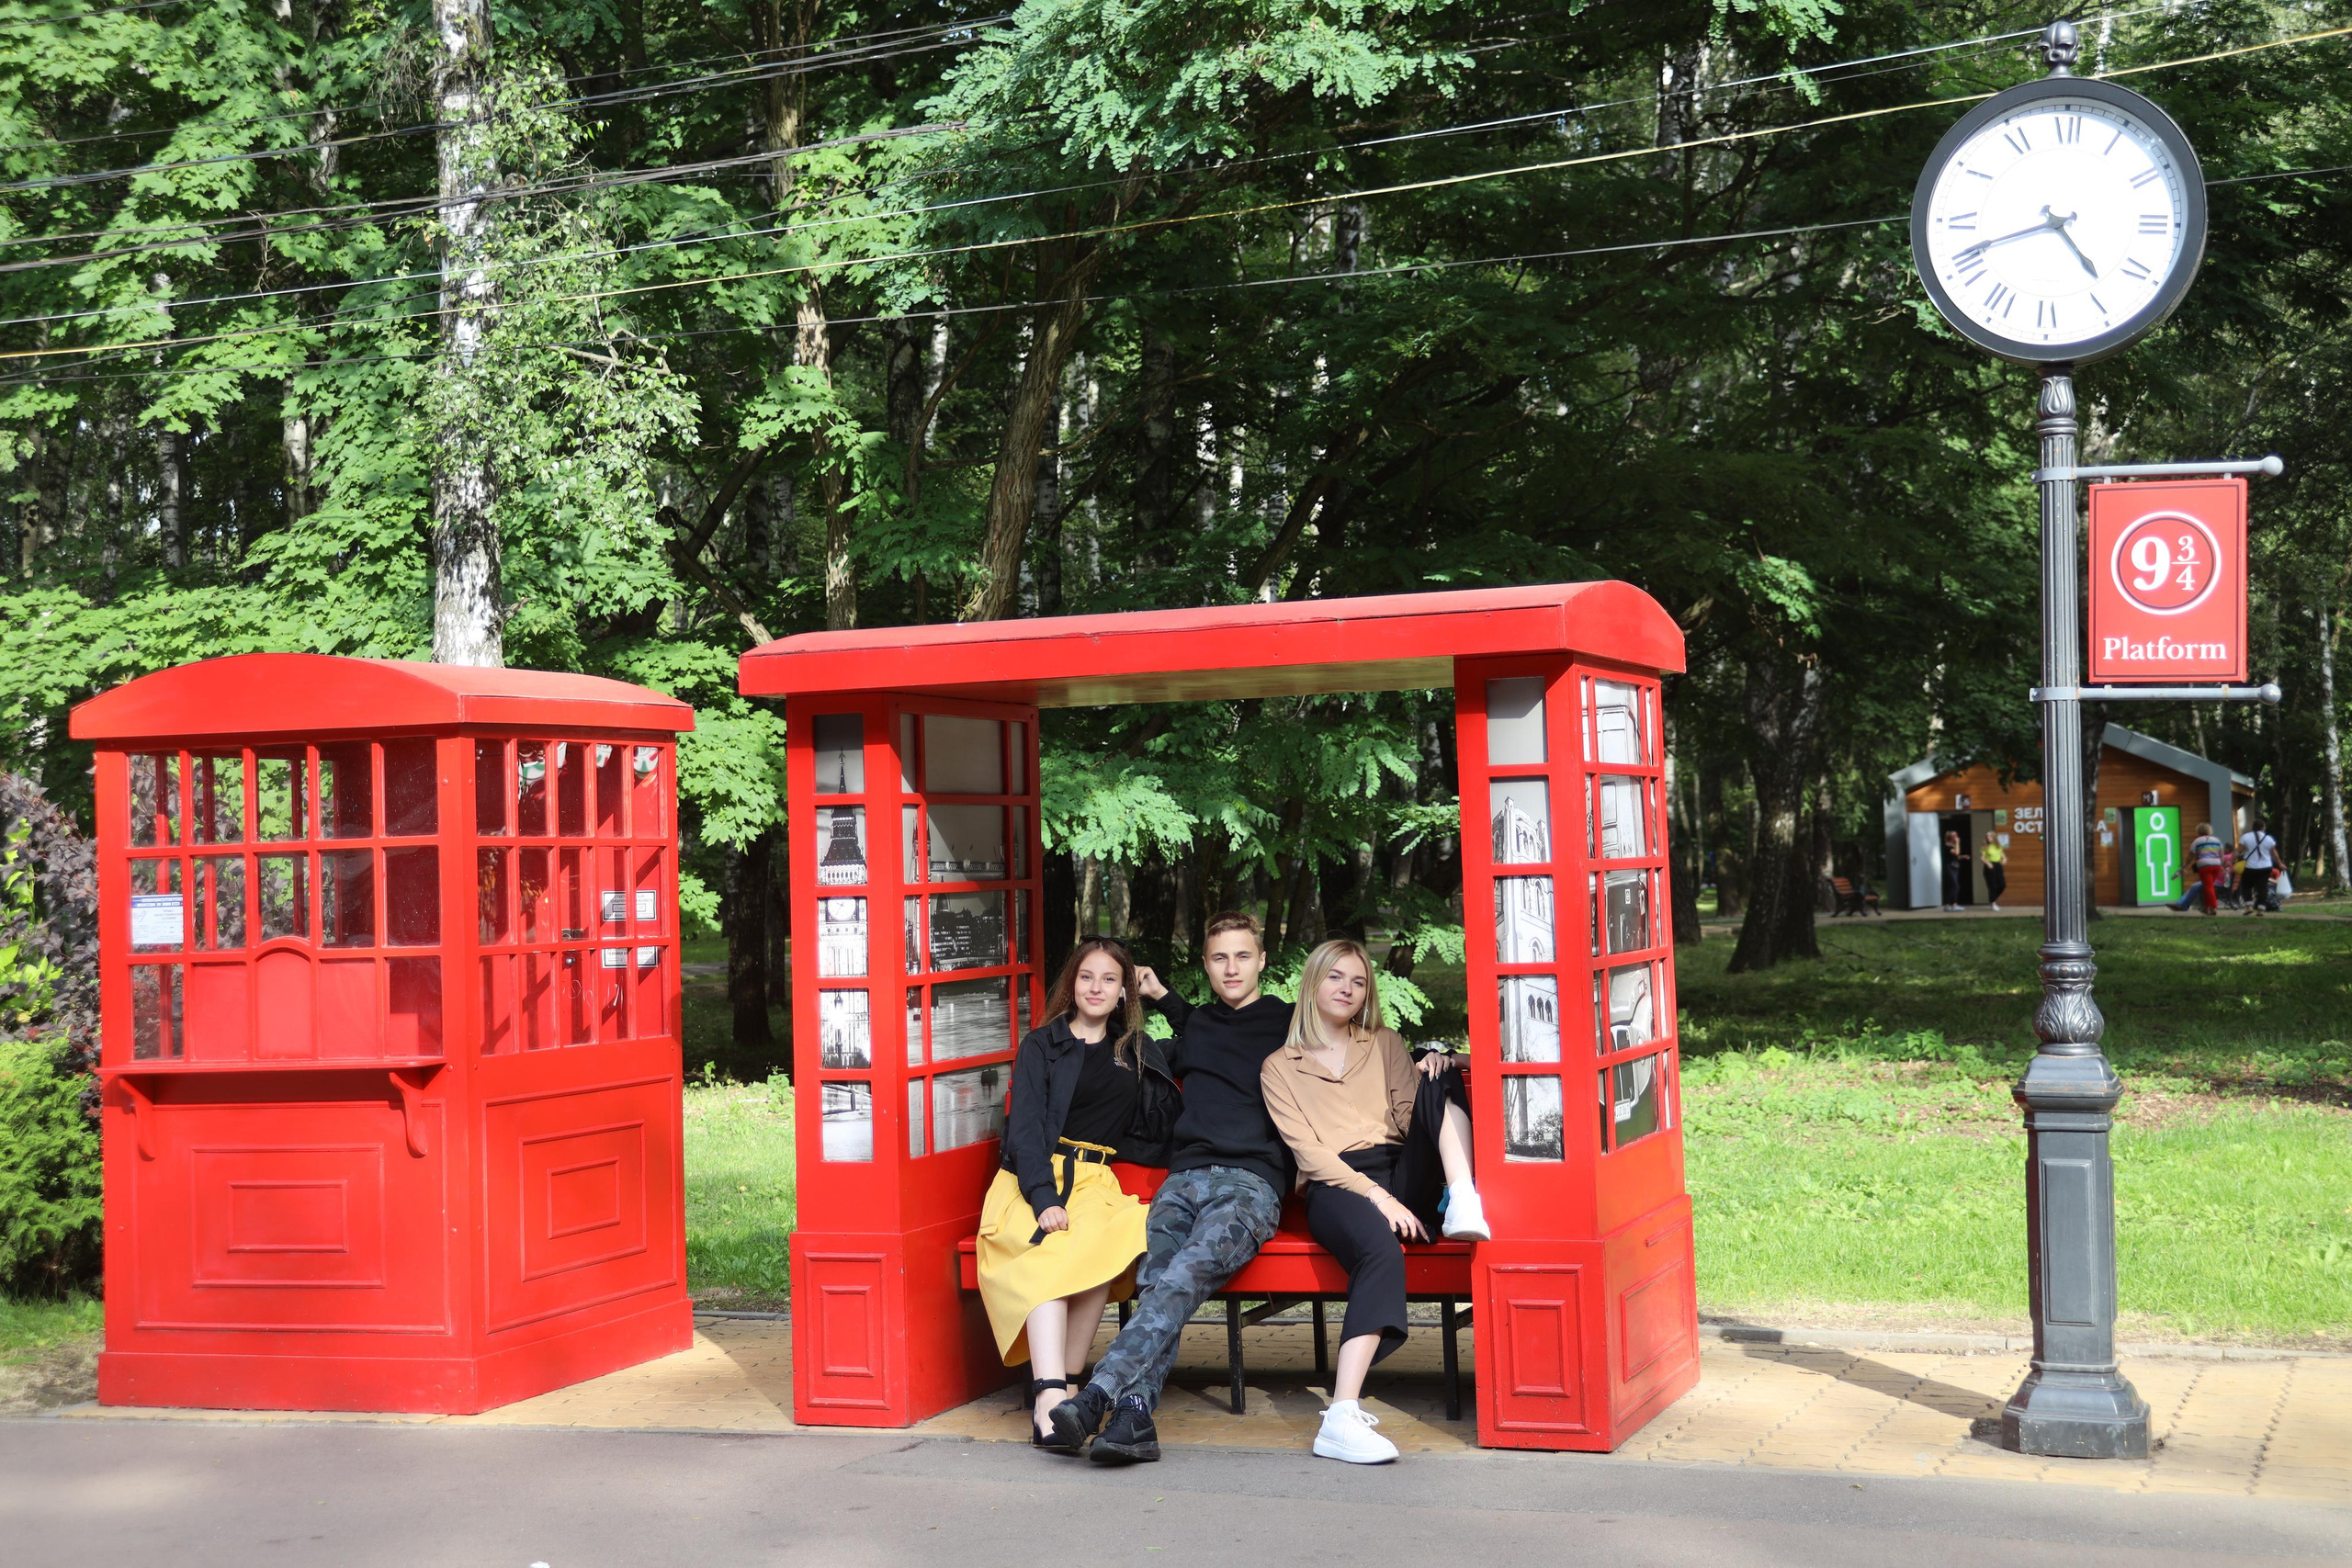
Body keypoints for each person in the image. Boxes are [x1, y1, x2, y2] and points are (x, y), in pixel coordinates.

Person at [1049, 912, 1295, 1465]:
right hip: (1183, 1180)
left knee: (1180, 1275)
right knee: (1157, 1277)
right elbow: (1144, 1054)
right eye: (1218, 958)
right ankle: (1133, 1420)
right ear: (1205, 965)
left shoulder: (1289, 1022)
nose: (1231, 968)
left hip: (1250, 1184)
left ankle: (1096, 1395)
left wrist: (1438, 1056)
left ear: (1262, 961)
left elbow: (1358, 1035)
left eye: (1241, 956)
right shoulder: (1199, 1027)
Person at [1261, 939, 1487, 1465]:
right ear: (1313, 983)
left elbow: (1412, 1119)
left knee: (1441, 1072)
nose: (1347, 988)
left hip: (1403, 1168)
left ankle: (1462, 1197)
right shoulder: (1280, 1065)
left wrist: (1444, 1062)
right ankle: (1341, 1416)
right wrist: (1378, 1197)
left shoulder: (1384, 1043)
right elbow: (1311, 1154)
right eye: (1336, 977)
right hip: (1339, 1185)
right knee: (1380, 1251)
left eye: (1359, 981)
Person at [978, 937, 1179, 1453]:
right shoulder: (1042, 1045)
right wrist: (1044, 1198)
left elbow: (1209, 1043)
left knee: (1108, 1242)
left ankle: (1068, 1391)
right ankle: (1048, 1400)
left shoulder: (1134, 1050)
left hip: (1095, 1181)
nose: (1096, 987)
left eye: (1110, 979)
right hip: (1033, 1177)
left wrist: (1165, 996)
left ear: (1123, 991)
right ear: (1072, 984)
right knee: (1052, 1249)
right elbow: (1023, 1131)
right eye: (1087, 976)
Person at [2182, 822, 2229, 915]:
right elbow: (2221, 855)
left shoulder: (2197, 841)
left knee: (2208, 887)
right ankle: (2206, 907)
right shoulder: (2217, 840)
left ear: (2198, 831)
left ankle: (2213, 907)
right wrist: (2221, 865)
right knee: (2209, 886)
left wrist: (2185, 865)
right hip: (2216, 865)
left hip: (2204, 865)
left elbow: (2191, 856)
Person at [2237, 818, 2279, 915]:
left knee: (2246, 886)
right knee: (2263, 888)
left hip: (2249, 867)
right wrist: (2280, 863)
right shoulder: (2269, 839)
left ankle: (2249, 907)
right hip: (2265, 867)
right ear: (2263, 827)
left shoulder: (2245, 837)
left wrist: (2230, 861)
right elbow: (2274, 853)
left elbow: (2239, 851)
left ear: (2253, 827)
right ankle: (2261, 910)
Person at [1940, 829, 1970, 912]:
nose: (1956, 837)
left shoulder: (1952, 846)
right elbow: (1956, 852)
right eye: (1955, 836)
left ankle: (1950, 905)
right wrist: (1957, 843)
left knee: (1953, 886)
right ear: (1951, 837)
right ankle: (1950, 905)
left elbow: (1956, 856)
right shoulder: (1947, 846)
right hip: (1949, 868)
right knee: (1955, 885)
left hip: (1955, 868)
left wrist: (1963, 857)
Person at [1980, 830, 2007, 910]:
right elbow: (1982, 858)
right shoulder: (1985, 847)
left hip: (1998, 865)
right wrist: (1988, 864)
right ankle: (1993, 903)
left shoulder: (1998, 846)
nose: (1988, 838)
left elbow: (2003, 856)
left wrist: (2004, 860)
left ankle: (1992, 899)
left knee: (2002, 885)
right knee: (1992, 886)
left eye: (1990, 836)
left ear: (1994, 837)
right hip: (1989, 866)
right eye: (1987, 836)